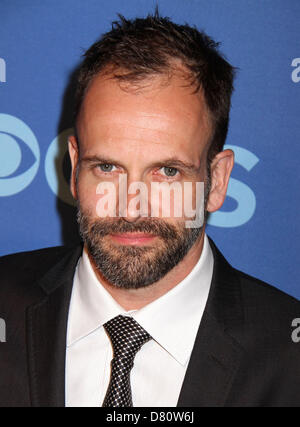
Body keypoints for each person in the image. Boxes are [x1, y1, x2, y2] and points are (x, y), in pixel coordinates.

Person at [0, 12, 299, 408]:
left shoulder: (288, 355)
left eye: (168, 171)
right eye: (107, 167)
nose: (132, 206)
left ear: (218, 181)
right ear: (74, 169)